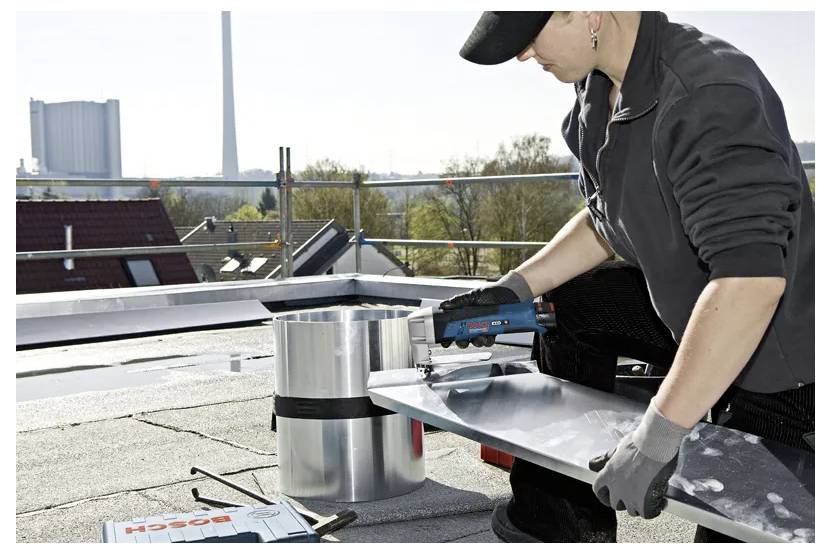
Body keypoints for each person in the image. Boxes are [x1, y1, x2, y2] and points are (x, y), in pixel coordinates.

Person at [442, 11, 815, 543]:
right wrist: (512, 289)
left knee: (740, 526)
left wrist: (655, 437)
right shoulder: (598, 90)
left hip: (786, 355)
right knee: (567, 307)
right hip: (692, 309)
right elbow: (604, 219)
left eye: (530, 35)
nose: (524, 54)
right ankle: (560, 522)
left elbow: (749, 283)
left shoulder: (709, 94)